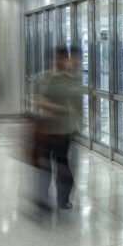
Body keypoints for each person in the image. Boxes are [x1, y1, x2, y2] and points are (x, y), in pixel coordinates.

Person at [32, 46, 82, 210]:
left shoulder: (73, 79)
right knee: (46, 166)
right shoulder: (49, 78)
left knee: (63, 165)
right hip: (49, 129)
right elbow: (40, 99)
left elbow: (77, 103)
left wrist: (80, 121)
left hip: (66, 131)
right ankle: (43, 200)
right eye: (60, 58)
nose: (63, 61)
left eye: (65, 58)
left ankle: (63, 198)